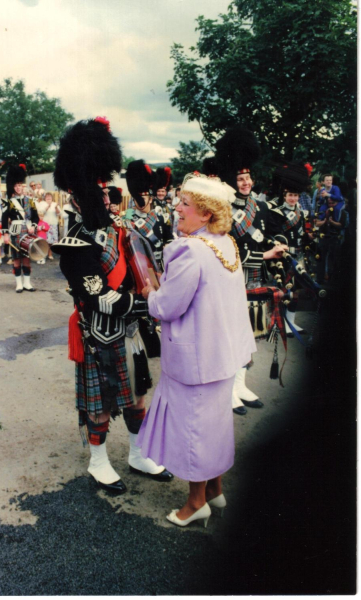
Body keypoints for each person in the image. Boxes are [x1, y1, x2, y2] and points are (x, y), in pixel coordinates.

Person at [52, 117, 173, 494]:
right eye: (99, 192)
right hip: (100, 334)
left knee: (138, 397)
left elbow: (144, 266)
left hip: (130, 333)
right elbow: (99, 297)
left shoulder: (120, 230)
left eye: (108, 192)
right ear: (78, 196)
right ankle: (98, 461)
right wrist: (148, 306)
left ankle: (138, 454)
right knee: (101, 404)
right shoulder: (75, 243)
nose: (107, 198)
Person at [137, 173, 256, 527]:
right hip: (223, 355)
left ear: (205, 214)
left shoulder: (190, 249)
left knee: (194, 431)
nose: (176, 209)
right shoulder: (226, 243)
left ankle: (195, 502)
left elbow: (167, 307)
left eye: (184, 205)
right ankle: (216, 491)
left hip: (195, 358)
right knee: (214, 425)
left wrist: (150, 294)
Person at [215, 127, 288, 415]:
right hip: (233, 278)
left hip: (255, 279)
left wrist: (278, 246)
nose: (245, 182)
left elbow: (266, 234)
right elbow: (228, 249)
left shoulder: (257, 206)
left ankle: (241, 385)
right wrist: (265, 253)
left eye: (248, 177)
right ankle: (229, 391)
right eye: (240, 178)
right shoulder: (224, 208)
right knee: (233, 336)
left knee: (251, 334)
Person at [267, 164, 311, 335]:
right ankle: (277, 323)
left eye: (295, 195)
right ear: (284, 195)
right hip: (283, 257)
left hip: (298, 254)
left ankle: (291, 322)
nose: (293, 198)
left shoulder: (301, 212)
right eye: (290, 195)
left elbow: (302, 233)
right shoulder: (277, 212)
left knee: (296, 291)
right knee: (282, 290)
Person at [124, 160, 174, 269]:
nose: (139, 202)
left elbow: (168, 237)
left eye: (143, 198)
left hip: (158, 263)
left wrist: (167, 246)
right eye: (137, 199)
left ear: (150, 199)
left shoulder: (160, 216)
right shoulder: (128, 218)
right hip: (139, 265)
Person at [2, 164, 38, 292]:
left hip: (28, 231)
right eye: (16, 186)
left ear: (23, 186)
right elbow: (4, 219)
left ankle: (27, 283)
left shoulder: (30, 201)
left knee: (27, 258)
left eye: (20, 185)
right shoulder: (9, 202)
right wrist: (5, 234)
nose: (18, 188)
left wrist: (33, 226)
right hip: (16, 232)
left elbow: (36, 217)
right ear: (13, 186)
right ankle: (19, 284)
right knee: (17, 259)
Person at [36, 192, 61, 261]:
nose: (48, 198)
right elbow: (40, 213)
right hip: (45, 225)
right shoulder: (42, 204)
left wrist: (56, 207)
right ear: (45, 198)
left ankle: (50, 254)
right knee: (45, 241)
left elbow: (59, 213)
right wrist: (47, 207)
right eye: (47, 196)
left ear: (52, 198)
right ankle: (43, 254)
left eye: (50, 196)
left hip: (53, 224)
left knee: (51, 241)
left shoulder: (54, 204)